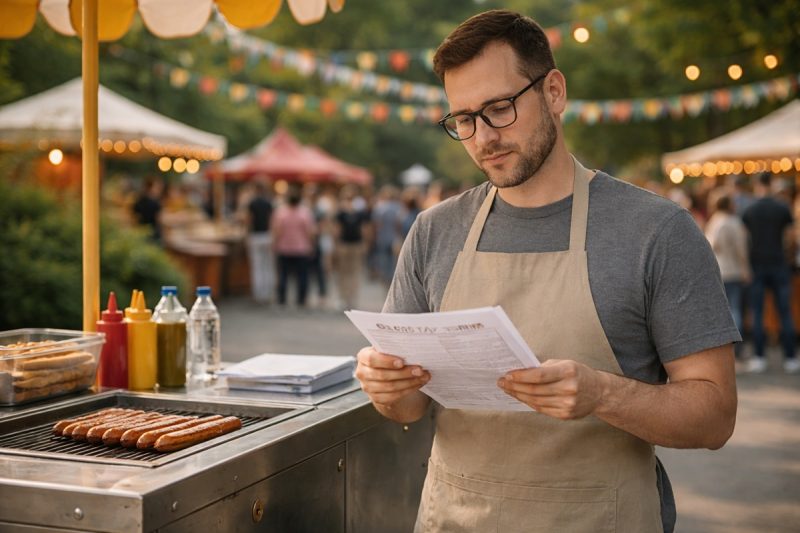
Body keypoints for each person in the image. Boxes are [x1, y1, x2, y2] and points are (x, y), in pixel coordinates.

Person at [354, 10, 738, 533]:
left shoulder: (656, 231)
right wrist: (386, 386)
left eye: (499, 108)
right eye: (462, 120)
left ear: (553, 91)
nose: (482, 137)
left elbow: (715, 415)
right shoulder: (434, 231)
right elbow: (409, 408)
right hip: (455, 517)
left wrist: (604, 394)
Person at [741, 172, 799, 373]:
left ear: (757, 184)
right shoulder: (782, 208)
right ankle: (790, 357)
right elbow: (791, 237)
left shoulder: (749, 209)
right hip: (779, 263)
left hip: (756, 264)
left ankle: (759, 356)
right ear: (772, 184)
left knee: (757, 313)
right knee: (785, 312)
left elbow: (744, 239)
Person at [705, 194, 751, 358]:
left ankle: (723, 348)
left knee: (722, 311)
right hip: (733, 270)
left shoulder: (713, 222)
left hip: (718, 271)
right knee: (736, 310)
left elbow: (711, 245)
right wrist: (746, 269)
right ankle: (736, 348)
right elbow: (741, 249)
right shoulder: (733, 222)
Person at [271, 185, 316, 308]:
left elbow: (276, 231)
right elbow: (310, 231)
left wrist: (274, 244)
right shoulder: (305, 212)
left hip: (284, 248)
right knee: (302, 276)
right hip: (301, 248)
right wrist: (312, 245)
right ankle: (301, 300)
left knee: (283, 275)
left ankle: (282, 299)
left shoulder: (281, 212)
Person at [246, 181, 274, 304]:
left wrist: (247, 234)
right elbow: (271, 220)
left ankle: (258, 294)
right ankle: (267, 293)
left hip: (256, 236)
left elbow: (249, 220)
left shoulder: (252, 203)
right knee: (267, 265)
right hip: (267, 235)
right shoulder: (269, 203)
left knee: (257, 266)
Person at [132, 177, 163, 243]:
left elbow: (134, 217)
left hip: (141, 233)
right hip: (154, 235)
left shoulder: (139, 200)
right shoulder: (155, 203)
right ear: (151, 188)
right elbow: (160, 219)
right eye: (157, 187)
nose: (159, 190)